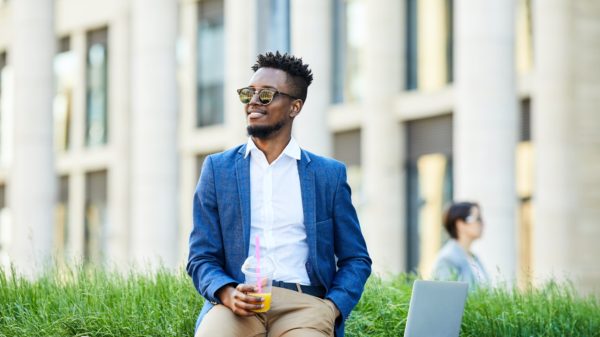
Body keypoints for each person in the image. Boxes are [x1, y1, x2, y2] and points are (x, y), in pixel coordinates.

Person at [187, 51, 372, 337]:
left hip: (305, 305)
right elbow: (201, 256)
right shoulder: (217, 169)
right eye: (248, 93)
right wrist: (226, 292)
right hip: (237, 304)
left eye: (266, 96)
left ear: (294, 107)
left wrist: (333, 307)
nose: (252, 102)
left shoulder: (328, 175)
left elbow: (356, 258)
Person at [431, 201, 489, 288]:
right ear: (460, 224)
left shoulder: (473, 258)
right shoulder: (448, 259)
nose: (483, 223)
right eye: (478, 219)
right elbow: (446, 296)